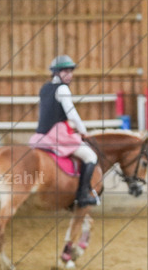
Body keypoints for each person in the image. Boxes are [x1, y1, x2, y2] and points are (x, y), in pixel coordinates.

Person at [28, 55, 99, 207]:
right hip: (57, 135)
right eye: (66, 72)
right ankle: (82, 195)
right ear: (56, 73)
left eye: (71, 71)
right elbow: (72, 114)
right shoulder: (63, 89)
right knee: (91, 156)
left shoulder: (45, 88)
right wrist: (83, 131)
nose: (70, 75)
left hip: (41, 135)